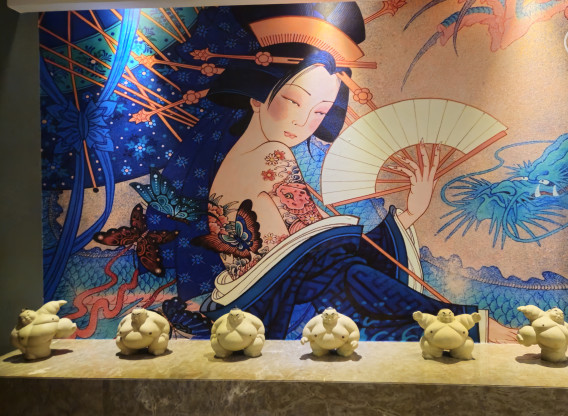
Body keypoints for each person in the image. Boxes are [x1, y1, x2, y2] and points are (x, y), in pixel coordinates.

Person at [164, 3, 480, 341]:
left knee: (360, 279)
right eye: (294, 101)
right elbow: (325, 253)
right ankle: (463, 326)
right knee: (362, 282)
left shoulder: (233, 160)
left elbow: (316, 247)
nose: (303, 122)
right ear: (257, 96)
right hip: (283, 295)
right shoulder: (274, 154)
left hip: (256, 294)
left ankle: (455, 325)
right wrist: (402, 220)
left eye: (319, 112)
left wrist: (407, 217)